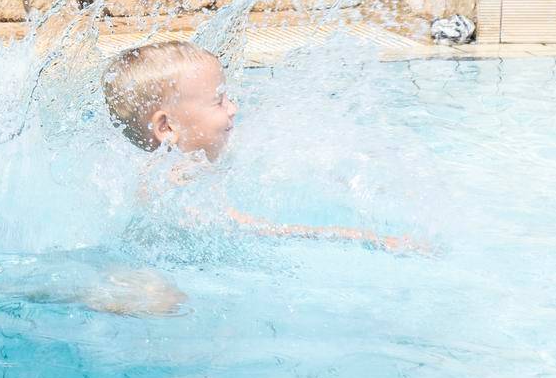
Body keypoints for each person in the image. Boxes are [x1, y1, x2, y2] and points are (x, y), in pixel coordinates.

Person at [105, 40, 421, 253]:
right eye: (218, 101)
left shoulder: (193, 166)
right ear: (166, 127)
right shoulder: (175, 181)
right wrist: (360, 238)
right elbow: (246, 230)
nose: (233, 108)